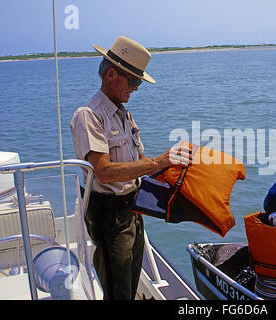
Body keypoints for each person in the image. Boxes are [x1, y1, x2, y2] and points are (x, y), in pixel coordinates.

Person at [70, 35, 191, 300]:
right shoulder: (88, 116)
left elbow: (140, 164)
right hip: (110, 216)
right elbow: (104, 171)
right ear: (112, 74)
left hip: (133, 211)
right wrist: (160, 161)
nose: (136, 89)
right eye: (134, 81)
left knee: (130, 282)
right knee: (118, 291)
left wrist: (178, 170)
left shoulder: (124, 114)